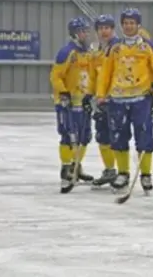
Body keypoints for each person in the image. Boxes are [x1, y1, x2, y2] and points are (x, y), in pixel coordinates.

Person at [96, 8, 153, 193]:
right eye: (125, 23)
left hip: (141, 98)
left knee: (144, 136)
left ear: (138, 25)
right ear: (122, 25)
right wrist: (101, 95)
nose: (129, 26)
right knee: (118, 136)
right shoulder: (115, 48)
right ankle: (123, 173)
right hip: (117, 99)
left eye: (132, 23)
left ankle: (146, 174)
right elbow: (105, 74)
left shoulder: (147, 46)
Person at [50, 17, 96, 193]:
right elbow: (56, 75)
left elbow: (91, 75)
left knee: (84, 135)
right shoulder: (66, 52)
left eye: (87, 31)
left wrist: (91, 94)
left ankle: (77, 166)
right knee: (68, 135)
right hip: (67, 102)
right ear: (76, 33)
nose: (87, 34)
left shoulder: (89, 53)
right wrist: (63, 92)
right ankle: (66, 167)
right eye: (84, 31)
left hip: (83, 101)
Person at [91, 14, 120, 188]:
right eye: (101, 28)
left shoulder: (118, 48)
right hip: (100, 100)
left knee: (118, 136)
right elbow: (94, 76)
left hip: (116, 98)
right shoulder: (96, 51)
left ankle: (122, 171)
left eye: (107, 28)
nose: (104, 31)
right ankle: (110, 170)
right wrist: (91, 94)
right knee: (102, 135)